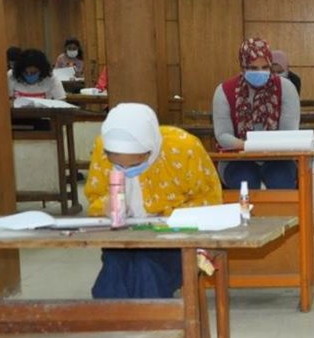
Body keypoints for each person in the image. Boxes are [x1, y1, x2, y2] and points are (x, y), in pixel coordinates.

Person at [85, 103, 222, 299]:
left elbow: (210, 200)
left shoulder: (183, 148)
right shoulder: (103, 148)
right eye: (118, 165)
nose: (126, 171)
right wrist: (106, 207)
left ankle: (143, 316)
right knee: (115, 270)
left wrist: (167, 216)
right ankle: (120, 316)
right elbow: (95, 198)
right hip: (124, 240)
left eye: (134, 164)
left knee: (146, 269)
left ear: (151, 151)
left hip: (174, 242)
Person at [212, 38, 301, 188]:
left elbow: (289, 132)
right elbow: (223, 135)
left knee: (281, 182)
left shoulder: (286, 88)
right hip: (237, 157)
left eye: (265, 67)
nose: (260, 72)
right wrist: (248, 146)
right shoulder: (224, 91)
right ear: (243, 67)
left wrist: (264, 148)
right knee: (245, 182)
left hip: (278, 157)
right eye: (253, 68)